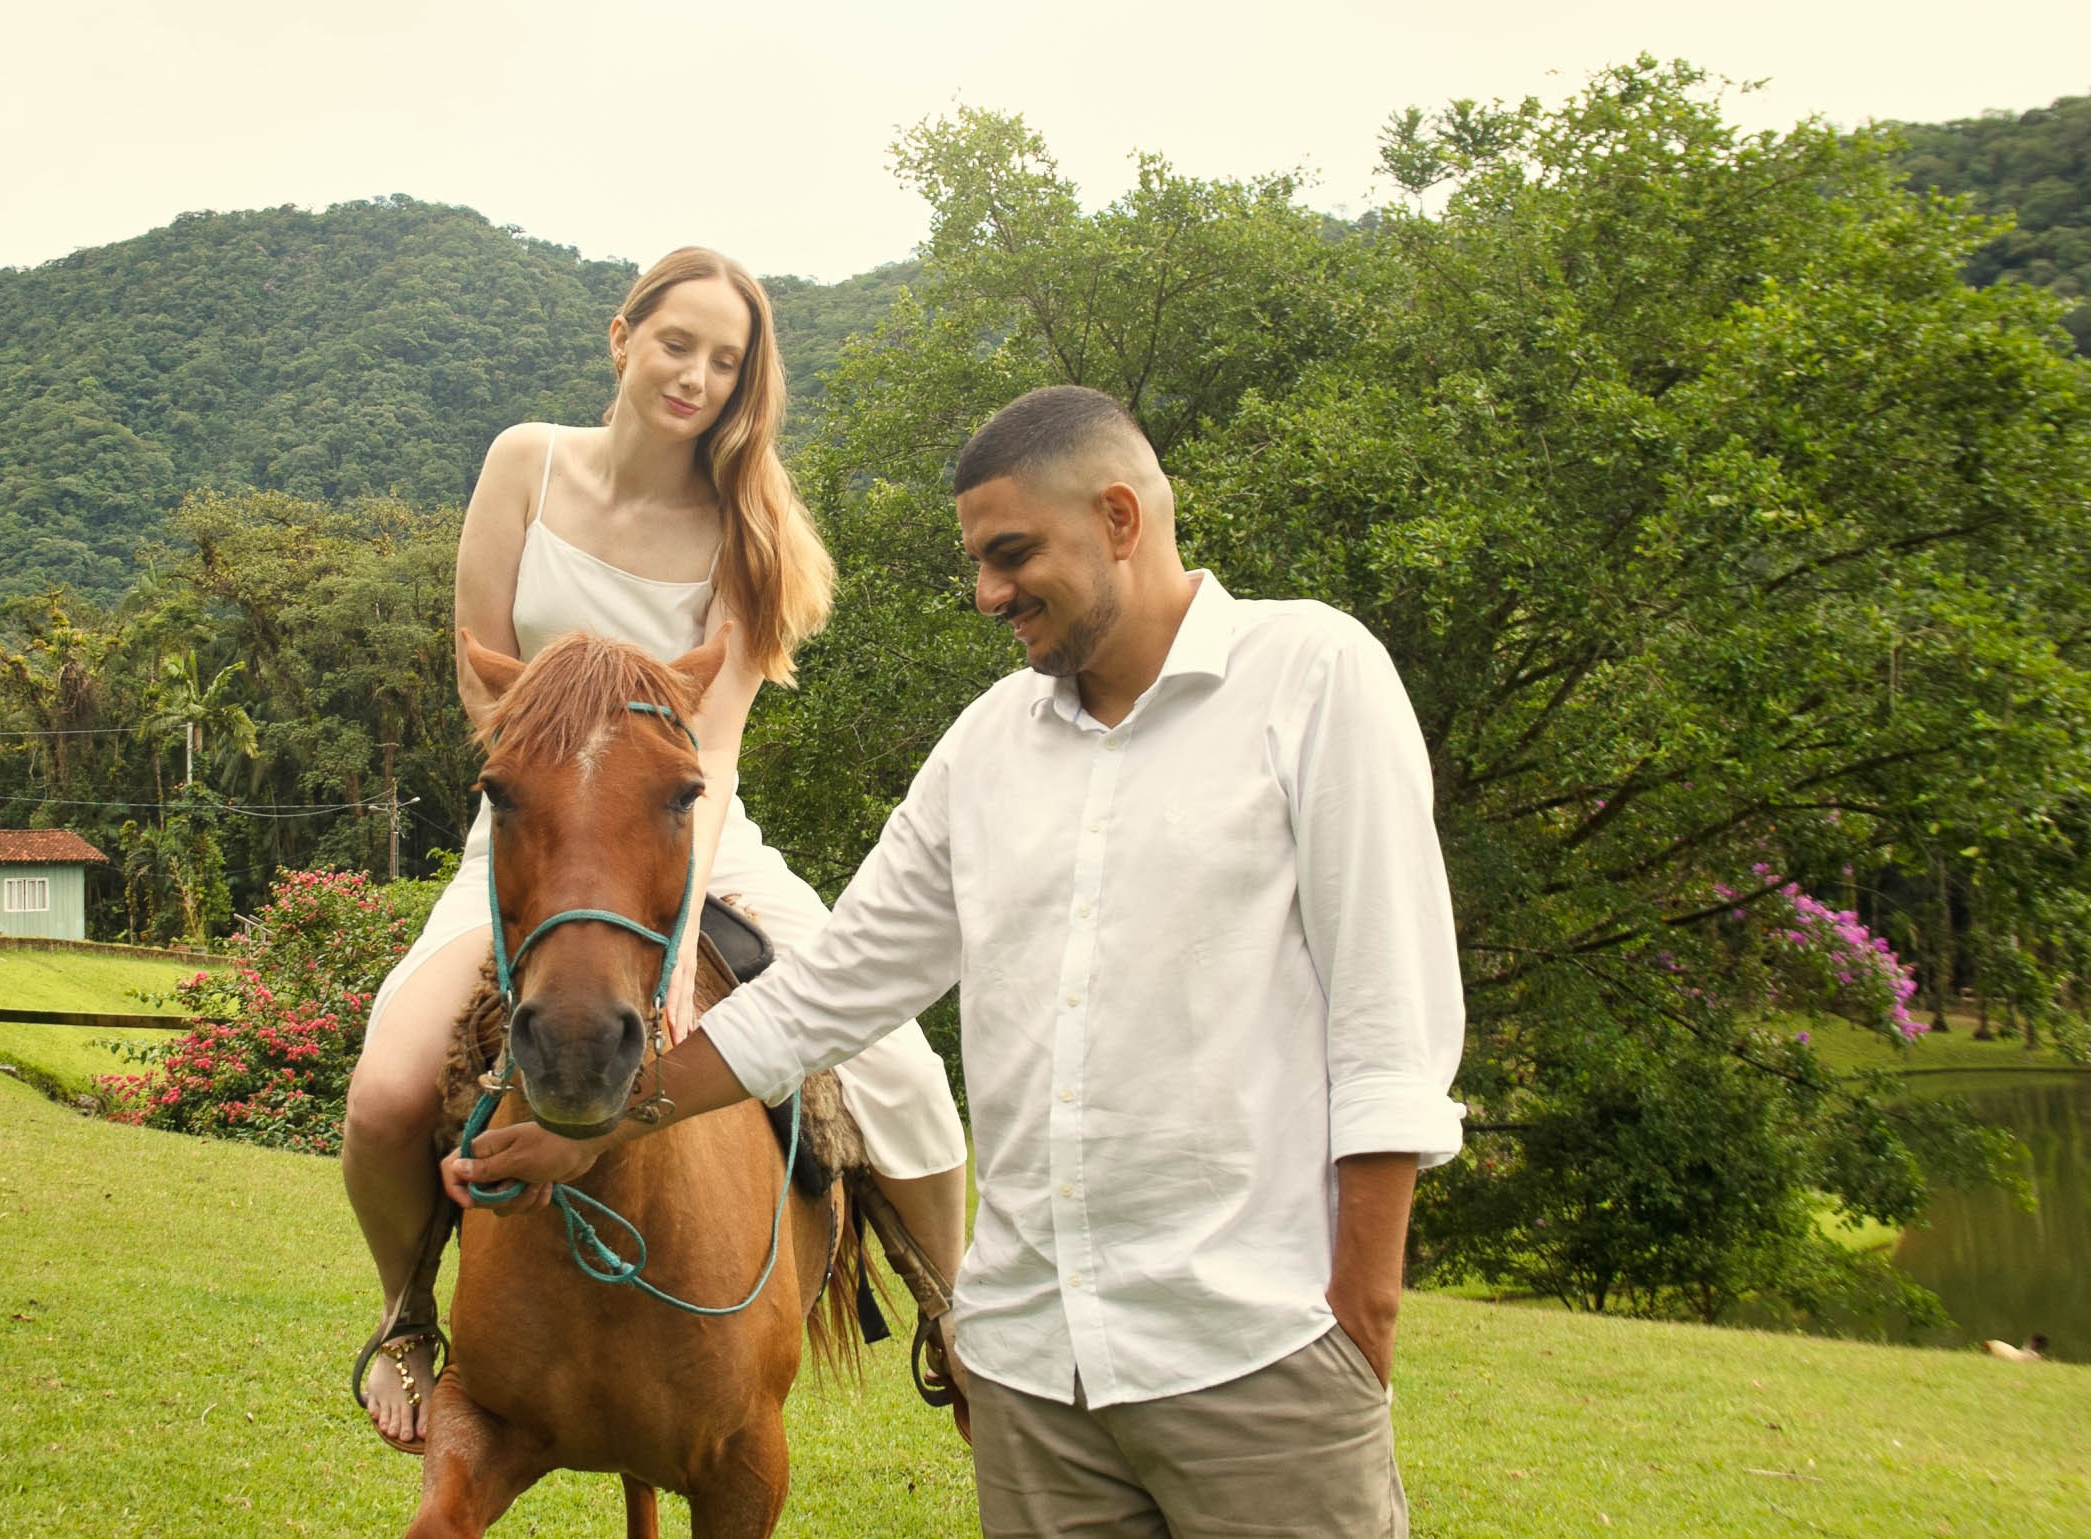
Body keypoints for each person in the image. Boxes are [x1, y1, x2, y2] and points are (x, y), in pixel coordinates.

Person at [457, 384, 1468, 1536]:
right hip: (1037, 1381)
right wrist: (608, 1120)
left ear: (1121, 519)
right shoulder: (988, 745)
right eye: (979, 562)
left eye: (1011, 554)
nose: (987, 593)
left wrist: (1359, 1315)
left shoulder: (1314, 676)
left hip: (1255, 1355)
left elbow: (1391, 1020)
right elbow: (834, 986)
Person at [341, 247, 970, 1452]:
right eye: (677, 342)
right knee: (383, 1093)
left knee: (901, 1073)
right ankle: (409, 1317)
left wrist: (676, 955)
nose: (696, 375)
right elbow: (482, 668)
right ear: (622, 335)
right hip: (525, 834)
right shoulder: (522, 462)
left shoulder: (742, 525)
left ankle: (952, 1317)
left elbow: (714, 754)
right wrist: (545, 814)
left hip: (693, 836)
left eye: (726, 361)